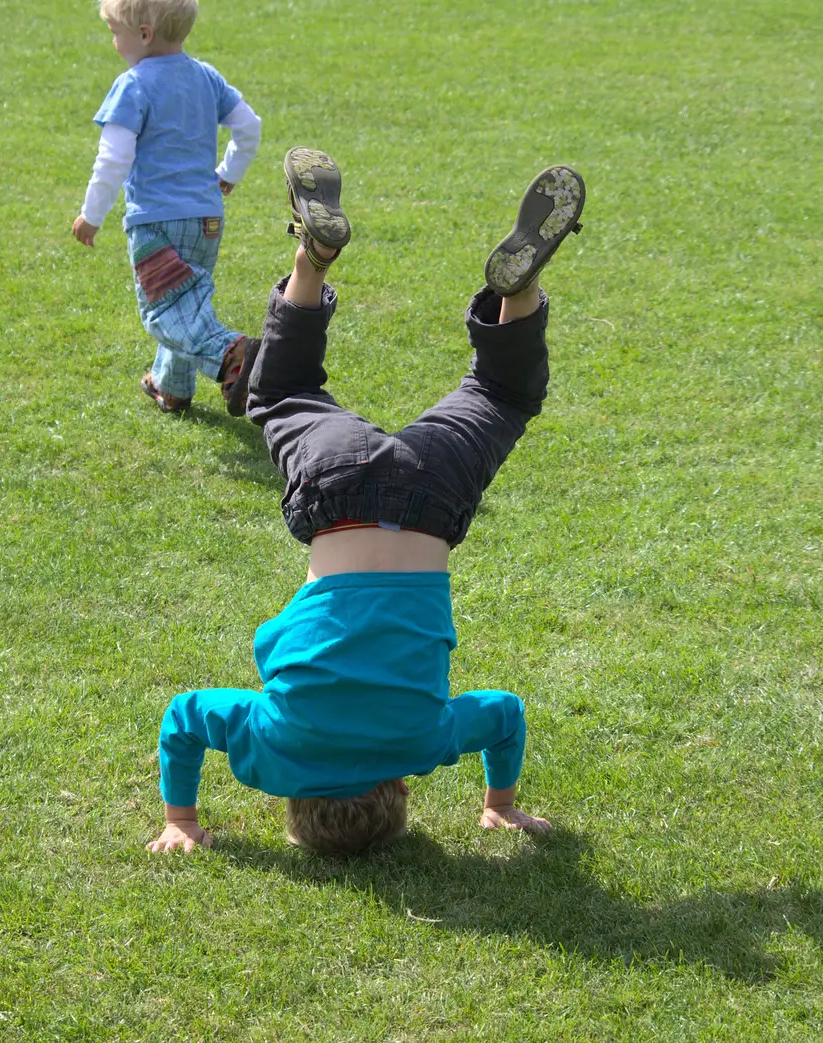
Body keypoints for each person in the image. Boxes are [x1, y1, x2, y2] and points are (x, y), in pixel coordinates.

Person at [148, 148, 586, 855]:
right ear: (293, 798)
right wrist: (182, 820)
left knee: (503, 395)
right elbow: (183, 717)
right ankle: (312, 258)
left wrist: (500, 803)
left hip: (432, 495)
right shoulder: (273, 748)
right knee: (280, 390)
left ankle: (520, 294)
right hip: (336, 490)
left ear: (403, 788)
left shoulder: (421, 742)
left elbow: (504, 714)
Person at [70, 0, 262, 416]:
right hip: (208, 219)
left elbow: (113, 159)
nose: (113, 40)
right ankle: (170, 385)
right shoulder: (207, 77)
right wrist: (229, 171)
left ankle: (232, 355)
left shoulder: (133, 85)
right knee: (186, 300)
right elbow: (249, 126)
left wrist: (92, 214)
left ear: (144, 34)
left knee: (164, 309)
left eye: (116, 32)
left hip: (156, 221)